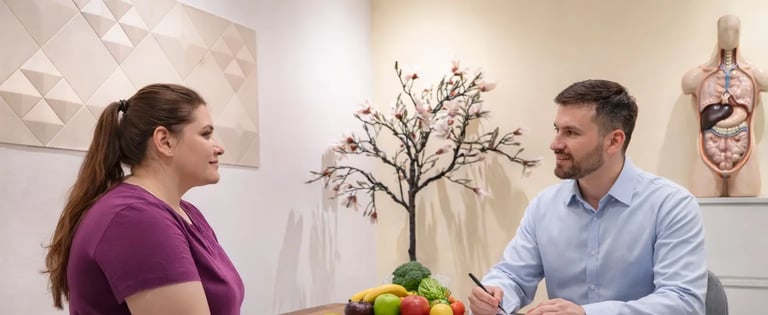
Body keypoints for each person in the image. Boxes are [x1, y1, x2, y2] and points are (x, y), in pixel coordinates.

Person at [468, 80, 707, 315]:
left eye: (571, 133)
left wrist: (586, 313)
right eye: (557, 130)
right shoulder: (544, 206)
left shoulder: (671, 205)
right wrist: (495, 293)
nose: (555, 144)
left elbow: (683, 302)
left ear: (614, 141)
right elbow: (512, 276)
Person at [44, 84, 244, 315]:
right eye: (205, 134)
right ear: (164, 141)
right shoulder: (135, 219)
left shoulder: (185, 212)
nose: (219, 148)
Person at [682, 14, 767, 197]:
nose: (729, 34)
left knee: (746, 200)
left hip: (742, 142)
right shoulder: (703, 73)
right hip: (709, 143)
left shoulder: (751, 73)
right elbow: (686, 84)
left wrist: (750, 69)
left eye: (733, 30)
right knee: (703, 200)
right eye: (725, 30)